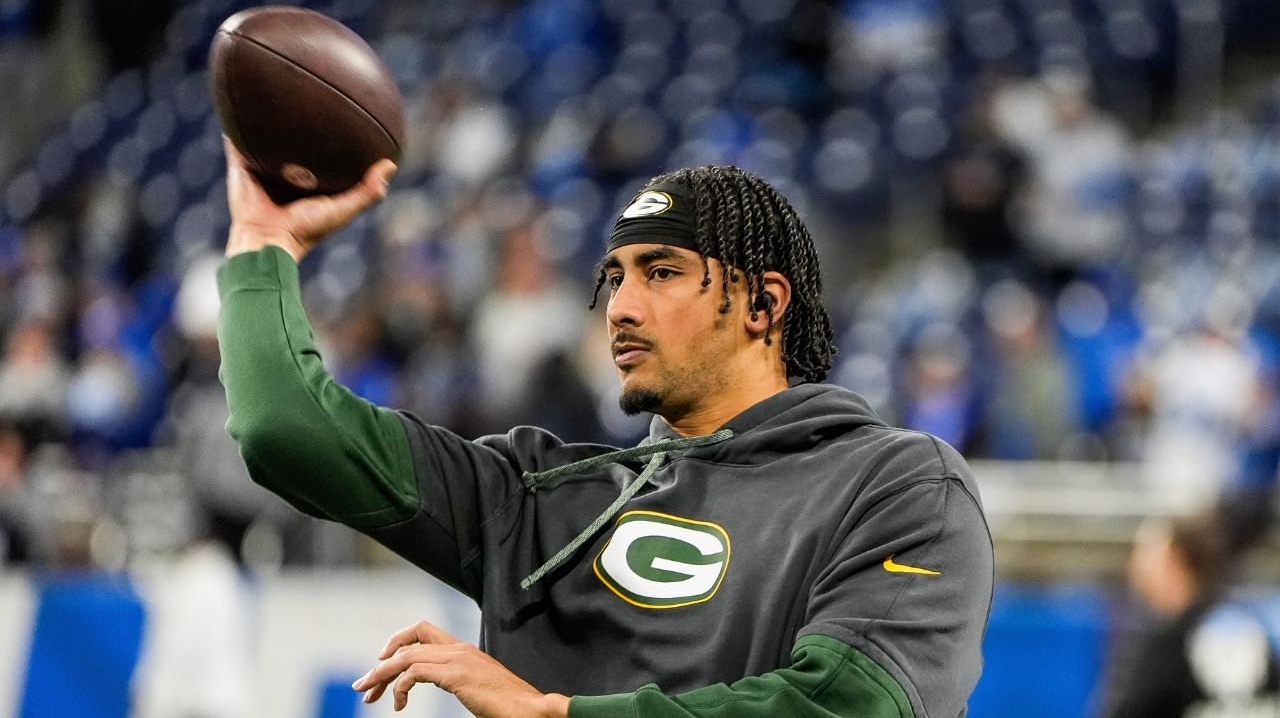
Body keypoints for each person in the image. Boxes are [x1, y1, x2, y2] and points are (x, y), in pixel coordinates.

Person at [215, 140, 994, 717]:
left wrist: (548, 713)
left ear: (763, 304)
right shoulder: (541, 497)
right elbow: (286, 428)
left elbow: (847, 706)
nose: (620, 306)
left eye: (661, 274)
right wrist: (261, 243)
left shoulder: (899, 485)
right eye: (614, 278)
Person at [1095, 513, 1280, 717]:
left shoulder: (1170, 641)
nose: (1135, 569)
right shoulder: (1251, 624)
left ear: (1172, 559)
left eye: (1145, 554)